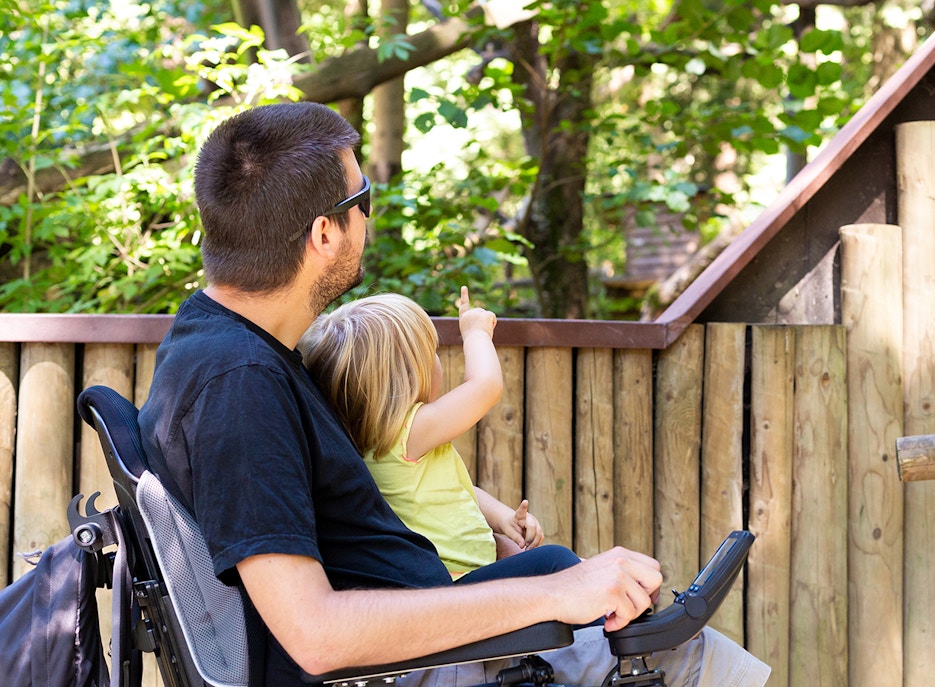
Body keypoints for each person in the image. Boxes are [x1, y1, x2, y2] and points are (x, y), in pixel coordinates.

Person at [137, 101, 770, 687]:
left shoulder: (223, 348)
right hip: (431, 666)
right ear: (324, 234)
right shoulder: (239, 386)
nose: (366, 217)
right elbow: (315, 634)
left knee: (636, 609)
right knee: (690, 656)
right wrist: (555, 594)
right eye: (363, 200)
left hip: (436, 642)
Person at [299, 289, 580, 582]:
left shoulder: (368, 441)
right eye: (432, 352)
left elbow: (459, 490)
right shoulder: (407, 433)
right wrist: (475, 333)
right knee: (557, 562)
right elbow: (486, 386)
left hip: (461, 574)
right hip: (454, 583)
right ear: (408, 375)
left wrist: (503, 519)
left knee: (568, 566)